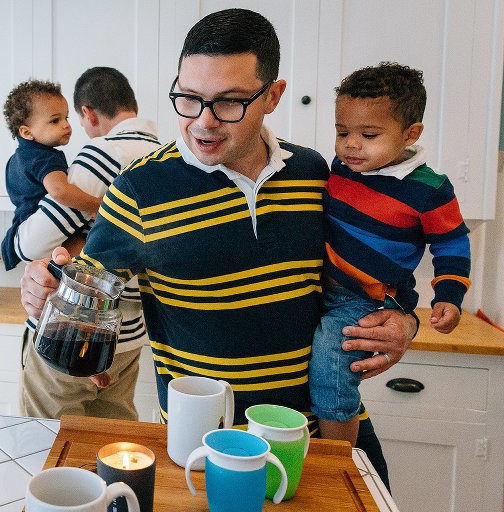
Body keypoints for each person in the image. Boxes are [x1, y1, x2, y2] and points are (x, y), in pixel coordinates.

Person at [20, 9, 417, 487]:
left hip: (322, 434)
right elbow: (82, 290)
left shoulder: (315, 174)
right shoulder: (140, 190)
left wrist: (404, 321)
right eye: (189, 98)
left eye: (229, 102)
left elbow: (374, 267)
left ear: (273, 96)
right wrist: (42, 286)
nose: (203, 122)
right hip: (204, 449)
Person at [310, 62, 471, 446]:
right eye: (342, 131)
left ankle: (338, 461)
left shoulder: (429, 189)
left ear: (410, 134)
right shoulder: (341, 168)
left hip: (366, 300)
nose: (351, 144)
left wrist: (449, 296)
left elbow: (451, 243)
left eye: (368, 134)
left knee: (333, 370)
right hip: (320, 288)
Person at [16, 67, 162, 420]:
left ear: (89, 113)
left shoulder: (103, 154)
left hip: (69, 333)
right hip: (129, 338)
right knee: (111, 444)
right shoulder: (167, 159)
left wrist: (83, 234)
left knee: (45, 444)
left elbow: (30, 244)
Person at [1, 79, 103, 270]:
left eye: (66, 118)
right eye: (55, 120)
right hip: (44, 225)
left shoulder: (17, 158)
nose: (66, 125)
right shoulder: (44, 157)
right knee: (87, 258)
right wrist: (97, 204)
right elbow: (59, 191)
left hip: (24, 226)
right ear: (26, 132)